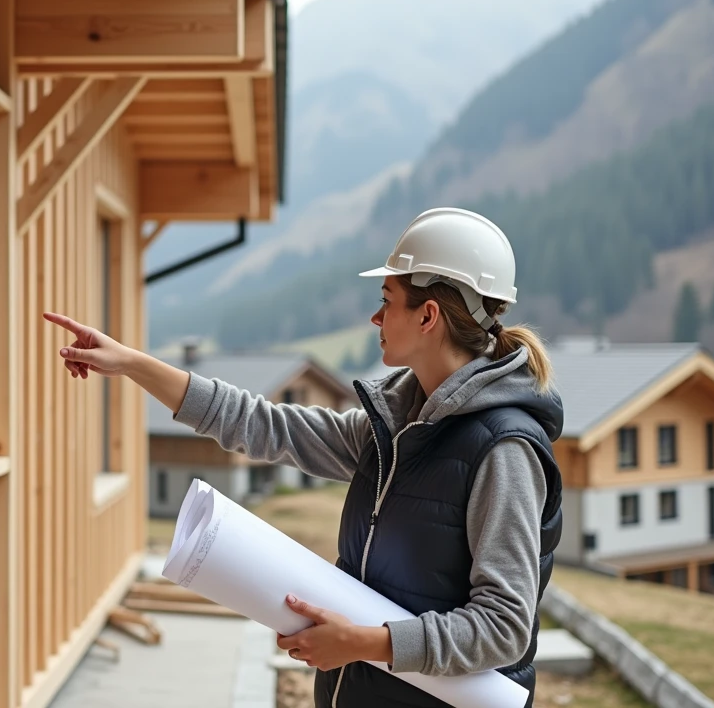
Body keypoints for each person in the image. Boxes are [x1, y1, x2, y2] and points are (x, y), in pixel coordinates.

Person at [44, 207, 563, 708]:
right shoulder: (395, 429)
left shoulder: (504, 451)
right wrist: (132, 364)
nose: (375, 316)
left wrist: (365, 643)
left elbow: (504, 628)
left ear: (427, 316)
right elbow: (262, 424)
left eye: (387, 300)